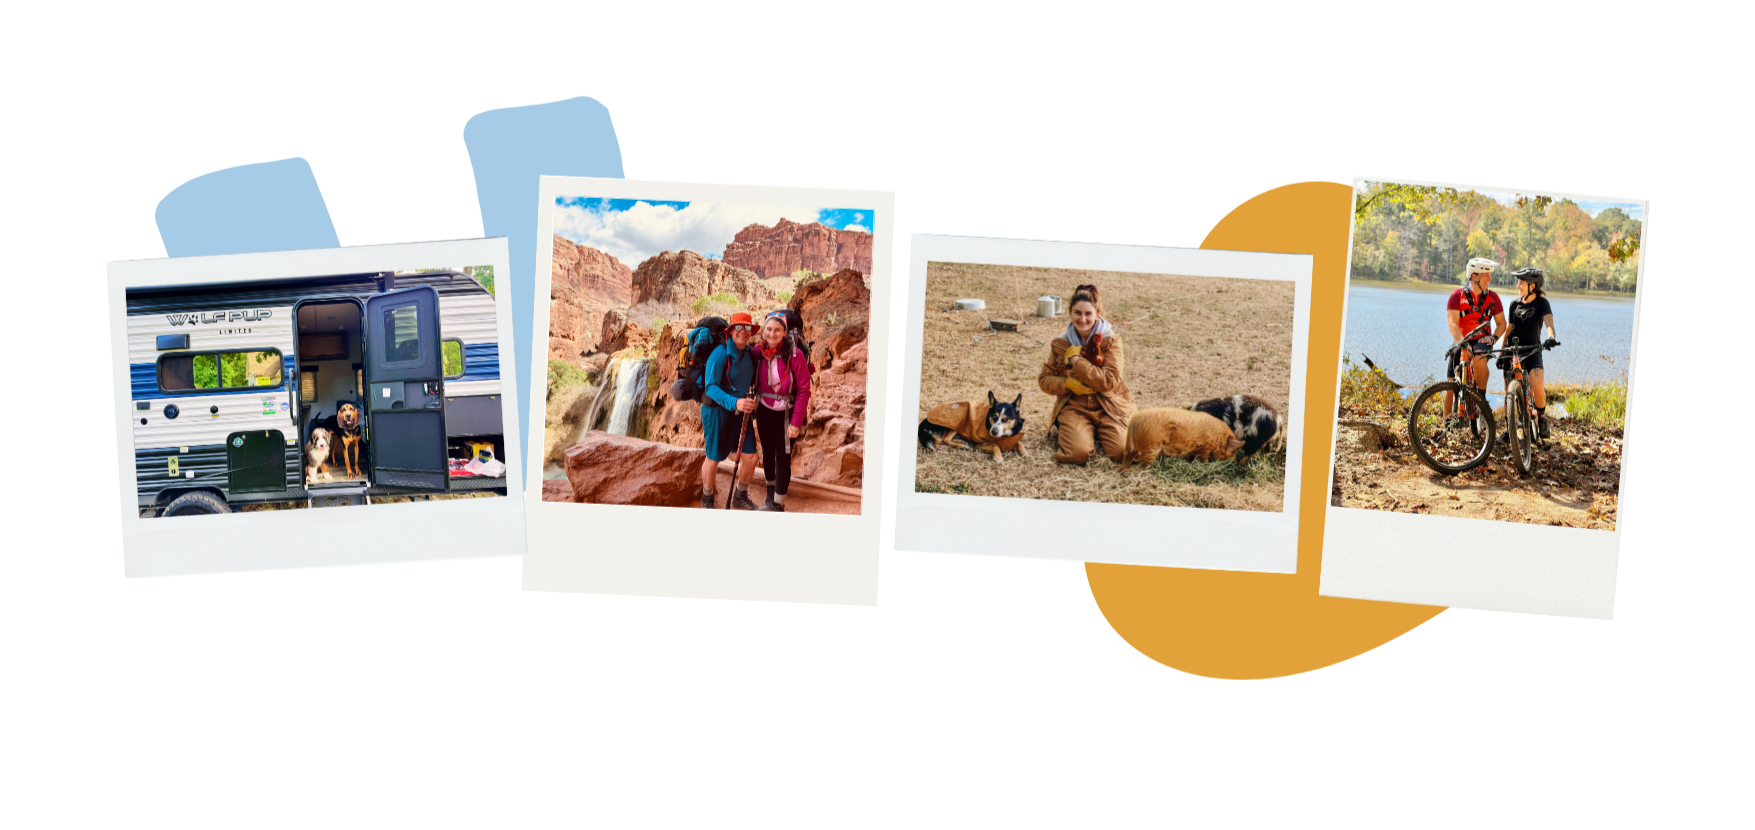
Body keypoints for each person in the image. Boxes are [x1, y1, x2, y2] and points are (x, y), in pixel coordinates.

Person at [1038, 284, 1135, 465]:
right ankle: (1076, 430)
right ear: (1069, 312)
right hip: (1074, 407)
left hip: (1108, 405)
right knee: (1077, 455)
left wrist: (1076, 361)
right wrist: (1066, 384)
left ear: (1097, 314)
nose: (1082, 319)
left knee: (1123, 453)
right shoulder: (1060, 343)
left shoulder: (1112, 340)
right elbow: (1044, 380)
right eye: (1078, 313)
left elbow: (1108, 381)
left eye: (1088, 313)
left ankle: (1099, 430)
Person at [751, 310, 813, 512]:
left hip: (787, 412)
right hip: (764, 411)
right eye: (768, 329)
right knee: (768, 453)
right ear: (763, 331)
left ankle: (777, 504)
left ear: (784, 332)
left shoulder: (795, 356)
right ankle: (770, 495)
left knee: (783, 455)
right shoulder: (757, 353)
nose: (772, 333)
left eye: (777, 330)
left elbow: (804, 390)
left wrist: (796, 423)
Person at [701, 311, 760, 510]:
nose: (743, 332)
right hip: (717, 412)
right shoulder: (719, 354)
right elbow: (711, 387)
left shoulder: (749, 354)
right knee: (714, 457)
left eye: (747, 328)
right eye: (739, 327)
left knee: (751, 458)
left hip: (741, 414)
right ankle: (707, 498)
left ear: (751, 332)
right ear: (732, 330)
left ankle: (740, 496)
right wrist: (735, 403)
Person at [1445, 257, 1507, 424]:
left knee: (1479, 359)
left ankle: (1481, 400)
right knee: (1449, 384)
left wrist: (1493, 338)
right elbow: (1452, 324)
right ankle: (1446, 423)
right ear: (1474, 276)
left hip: (1482, 340)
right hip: (1461, 339)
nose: (1490, 279)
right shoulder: (1456, 295)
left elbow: (1502, 324)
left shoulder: (1493, 297)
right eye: (1486, 275)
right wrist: (1462, 343)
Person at [1501, 266, 1561, 438]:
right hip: (1512, 351)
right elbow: (1508, 329)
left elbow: (1549, 323)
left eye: (1521, 283)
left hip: (1533, 350)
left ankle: (1541, 418)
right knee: (1508, 392)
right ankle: (1509, 429)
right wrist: (1500, 354)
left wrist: (1550, 338)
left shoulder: (1542, 303)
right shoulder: (1514, 304)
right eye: (1518, 283)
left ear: (1532, 286)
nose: (1518, 286)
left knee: (1537, 385)